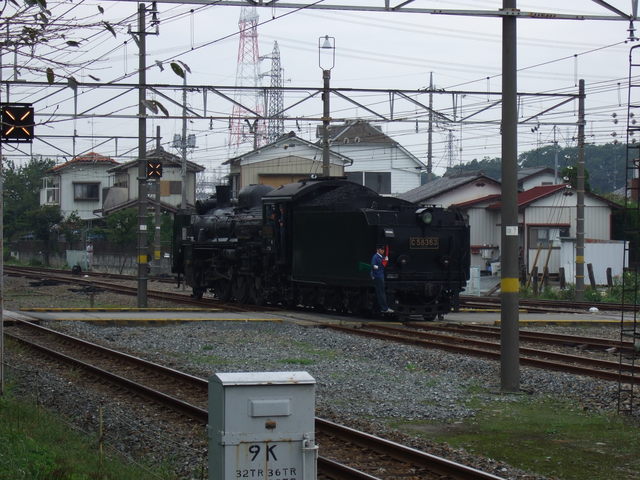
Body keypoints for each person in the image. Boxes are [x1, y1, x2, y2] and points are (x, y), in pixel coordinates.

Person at [371, 245, 393, 313]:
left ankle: (382, 307)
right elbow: (373, 266)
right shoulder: (375, 257)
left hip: (381, 275)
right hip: (378, 276)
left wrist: (385, 261)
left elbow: (383, 265)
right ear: (378, 250)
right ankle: (384, 308)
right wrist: (383, 264)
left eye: (383, 250)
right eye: (381, 249)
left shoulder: (381, 257)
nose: (383, 251)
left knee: (381, 292)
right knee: (381, 292)